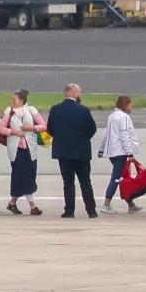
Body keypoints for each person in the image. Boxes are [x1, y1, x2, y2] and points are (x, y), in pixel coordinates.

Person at [47, 83, 98, 218]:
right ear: (74, 93)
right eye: (79, 92)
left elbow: (50, 129)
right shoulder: (83, 110)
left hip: (63, 152)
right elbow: (92, 129)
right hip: (81, 152)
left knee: (68, 183)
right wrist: (82, 139)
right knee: (85, 182)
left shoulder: (55, 109)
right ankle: (91, 210)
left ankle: (69, 211)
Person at [0, 89, 46, 216]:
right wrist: (14, 132)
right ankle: (33, 206)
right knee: (20, 174)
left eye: (15, 99)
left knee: (29, 174)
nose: (13, 101)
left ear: (22, 100)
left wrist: (31, 128)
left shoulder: (31, 110)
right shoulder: (9, 111)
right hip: (15, 148)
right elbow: (1, 128)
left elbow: (44, 125)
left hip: (30, 148)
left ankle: (12, 203)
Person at [99, 95, 142, 214]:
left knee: (123, 178)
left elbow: (106, 134)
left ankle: (130, 204)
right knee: (116, 178)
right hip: (121, 152)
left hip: (112, 152)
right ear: (125, 104)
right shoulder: (124, 117)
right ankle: (106, 204)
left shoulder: (112, 116)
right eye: (130, 104)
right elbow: (124, 136)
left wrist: (102, 149)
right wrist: (130, 153)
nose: (132, 106)